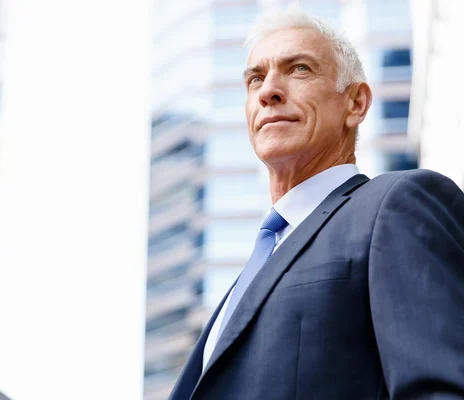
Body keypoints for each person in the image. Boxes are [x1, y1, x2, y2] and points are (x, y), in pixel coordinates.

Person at [169, 6, 464, 400]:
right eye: (255, 78)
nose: (268, 91)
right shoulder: (248, 276)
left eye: (299, 69)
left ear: (356, 103)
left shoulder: (396, 205)